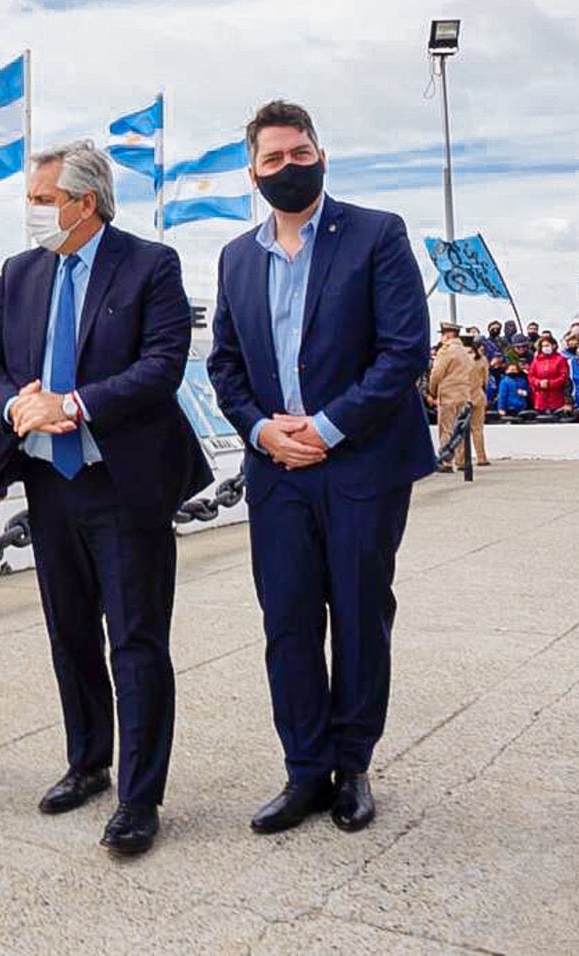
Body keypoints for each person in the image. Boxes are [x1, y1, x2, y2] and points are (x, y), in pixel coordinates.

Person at [0, 141, 212, 857]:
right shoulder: (18, 273)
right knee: (69, 634)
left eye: (44, 198)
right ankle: (88, 762)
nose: (34, 211)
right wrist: (18, 405)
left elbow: (162, 365)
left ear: (86, 202)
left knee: (135, 641)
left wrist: (72, 404)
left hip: (123, 484)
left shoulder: (150, 265)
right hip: (48, 484)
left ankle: (140, 796)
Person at [207, 100, 435, 835]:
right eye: (272, 159)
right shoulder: (237, 257)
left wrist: (329, 428)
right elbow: (225, 363)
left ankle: (354, 764)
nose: (287, 167)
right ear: (252, 171)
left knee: (362, 616)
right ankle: (304, 769)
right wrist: (261, 428)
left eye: (298, 152)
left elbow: (403, 350)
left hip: (361, 464)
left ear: (322, 154)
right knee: (289, 620)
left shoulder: (376, 233)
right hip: (276, 470)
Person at [428, 322, 475, 471]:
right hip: (464, 393)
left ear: (448, 334)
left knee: (446, 428)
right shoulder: (466, 352)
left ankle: (446, 462)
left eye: (443, 334)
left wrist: (432, 391)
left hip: (448, 393)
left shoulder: (445, 351)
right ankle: (462, 461)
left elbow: (436, 374)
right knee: (461, 428)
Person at [527, 334, 570, 413]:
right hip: (540, 400)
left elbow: (564, 376)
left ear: (553, 345)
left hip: (556, 399)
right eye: (543, 346)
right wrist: (539, 383)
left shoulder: (561, 360)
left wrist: (550, 383)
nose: (545, 348)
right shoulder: (536, 360)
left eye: (547, 345)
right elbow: (531, 376)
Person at [467, 335, 491, 466]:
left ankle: (460, 460)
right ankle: (481, 457)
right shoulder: (482, 360)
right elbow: (486, 380)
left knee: (460, 430)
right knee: (477, 429)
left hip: (462, 396)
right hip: (478, 395)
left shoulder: (458, 359)